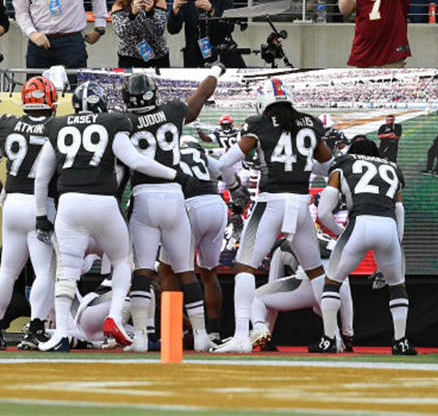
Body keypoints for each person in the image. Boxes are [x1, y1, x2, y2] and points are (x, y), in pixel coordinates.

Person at [32, 81, 198, 352]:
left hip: (69, 204)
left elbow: (41, 176)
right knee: (123, 262)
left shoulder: (57, 125)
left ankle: (61, 333)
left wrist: (41, 215)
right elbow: (136, 161)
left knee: (66, 273)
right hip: (105, 203)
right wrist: (175, 174)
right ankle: (115, 317)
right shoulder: (113, 122)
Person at [211, 79, 335, 353]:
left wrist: (233, 185)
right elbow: (329, 166)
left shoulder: (259, 123)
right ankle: (333, 335)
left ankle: (241, 336)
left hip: (271, 202)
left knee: (245, 266)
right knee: (316, 272)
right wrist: (303, 165)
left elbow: (225, 162)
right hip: (301, 204)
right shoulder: (310, 123)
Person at [119, 70, 223, 352]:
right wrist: (216, 70)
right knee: (186, 271)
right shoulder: (173, 110)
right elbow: (203, 93)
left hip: (143, 197)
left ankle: (140, 338)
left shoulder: (124, 121)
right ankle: (201, 336)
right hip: (175, 198)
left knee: (142, 271)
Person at [314, 137, 417, 355]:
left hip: (359, 224)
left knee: (332, 282)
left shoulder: (344, 163)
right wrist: (396, 241)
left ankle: (328, 339)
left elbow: (323, 213)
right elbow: (399, 210)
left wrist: (341, 233)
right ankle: (401, 341)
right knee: (397, 285)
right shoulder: (393, 167)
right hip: (389, 227)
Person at [0, 76, 59, 350]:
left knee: (7, 271)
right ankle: (35, 330)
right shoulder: (57, 127)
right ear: (51, 102)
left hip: (12, 202)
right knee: (44, 272)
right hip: (41, 204)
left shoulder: (8, 124)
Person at [176, 135, 232, 343]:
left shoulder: (169, 153)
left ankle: (183, 328)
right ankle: (214, 332)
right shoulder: (201, 155)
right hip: (215, 204)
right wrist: (236, 189)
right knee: (209, 272)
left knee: (169, 271)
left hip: (190, 206)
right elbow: (225, 171)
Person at [167, 0, 240, 68]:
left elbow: (229, 28)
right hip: (194, 59)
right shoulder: (185, 1)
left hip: (222, 57)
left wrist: (211, 10)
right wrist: (174, 10)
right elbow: (173, 30)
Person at [111, 0, 170, 67]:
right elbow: (121, 33)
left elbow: (159, 31)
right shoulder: (119, 5)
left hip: (158, 56)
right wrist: (132, 14)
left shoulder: (159, 1)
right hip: (129, 57)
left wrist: (150, 12)